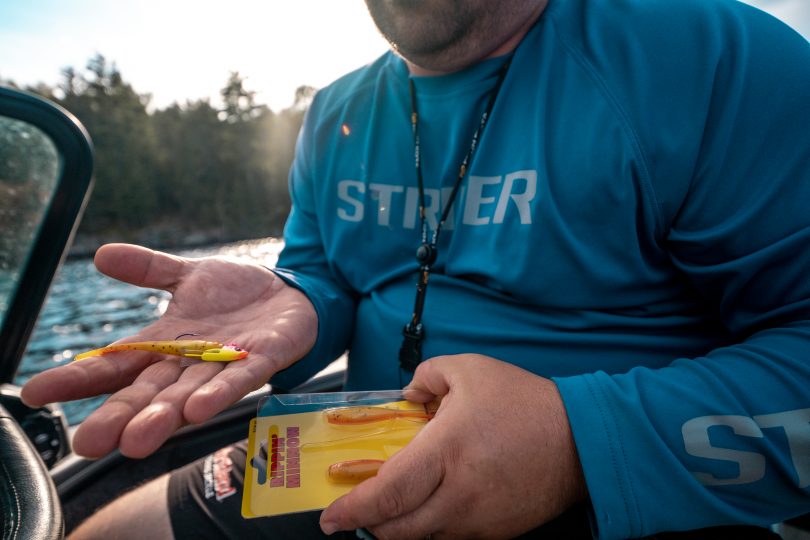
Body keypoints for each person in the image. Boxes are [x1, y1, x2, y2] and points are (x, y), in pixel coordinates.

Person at [22, 0, 810, 538]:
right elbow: (329, 276)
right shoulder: (335, 112)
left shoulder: (711, 57)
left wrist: (575, 443)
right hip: (354, 449)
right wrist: (298, 298)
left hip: (625, 492)